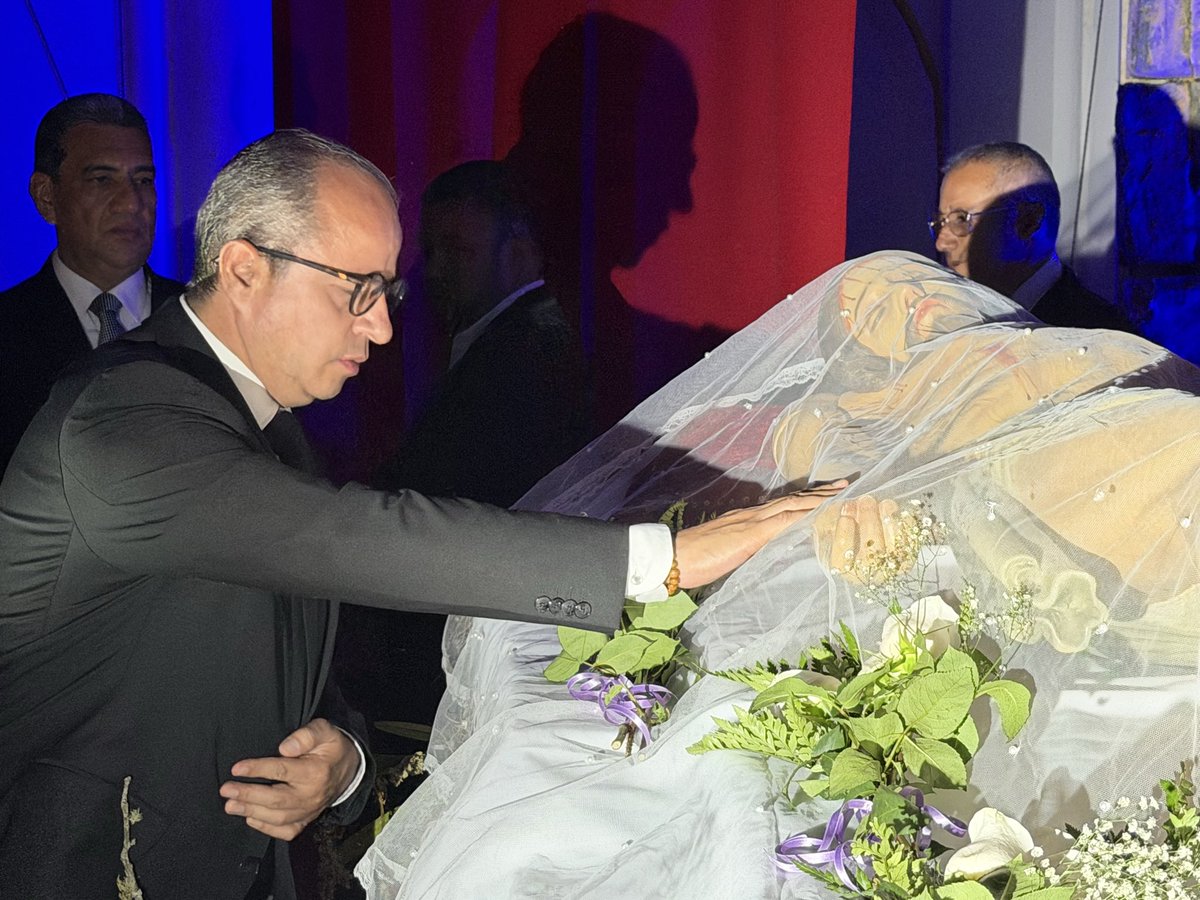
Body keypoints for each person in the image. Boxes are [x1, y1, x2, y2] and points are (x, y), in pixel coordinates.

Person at [0, 129, 839, 900]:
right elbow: (354, 538)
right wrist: (659, 562)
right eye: (356, 289)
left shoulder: (268, 418)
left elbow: (290, 659)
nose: (383, 326)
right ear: (246, 268)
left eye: (389, 290)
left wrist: (344, 761)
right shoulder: (123, 415)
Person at [358, 251, 1200, 898]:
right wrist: (857, 496)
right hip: (1076, 516)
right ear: (853, 350)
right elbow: (748, 493)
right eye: (873, 308)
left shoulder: (1041, 349)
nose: (910, 300)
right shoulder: (823, 417)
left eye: (915, 284)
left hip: (1109, 468)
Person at [374, 160, 589, 505]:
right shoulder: (521, 342)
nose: (434, 270)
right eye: (430, 251)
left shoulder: (522, 361)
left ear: (519, 253)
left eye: (458, 251)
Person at [0, 93, 185, 474]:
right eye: (102, 179)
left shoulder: (208, 320)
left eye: (143, 180)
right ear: (46, 197)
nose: (131, 202)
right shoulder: (8, 330)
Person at [931, 141, 1135, 332]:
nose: (941, 243)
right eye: (941, 222)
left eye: (961, 218)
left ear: (1028, 222)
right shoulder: (943, 320)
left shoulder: (1099, 336)